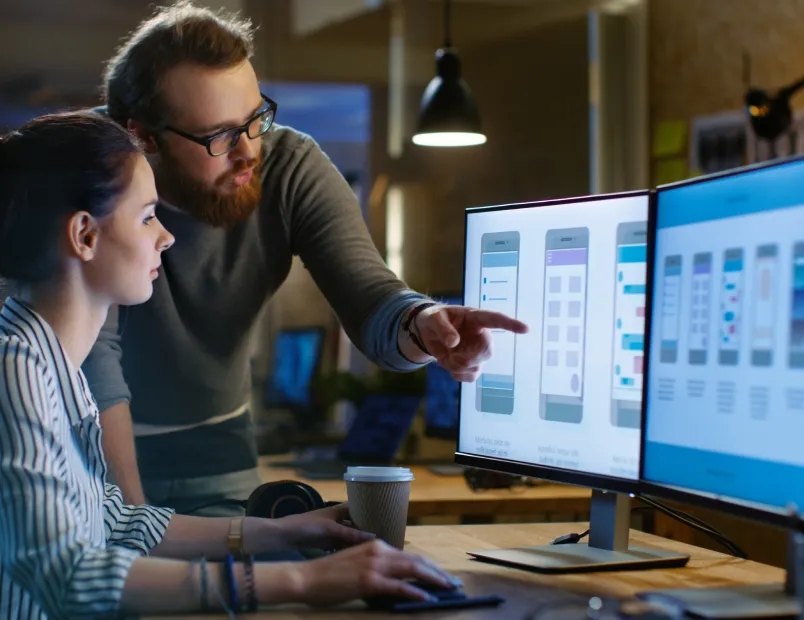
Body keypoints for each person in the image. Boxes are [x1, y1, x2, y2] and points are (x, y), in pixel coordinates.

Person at [0, 111, 461, 619]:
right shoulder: (15, 369)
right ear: (85, 235)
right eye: (147, 216)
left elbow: (111, 522)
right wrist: (304, 578)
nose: (166, 237)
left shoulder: (52, 359)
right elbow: (66, 574)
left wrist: (284, 531)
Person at [86, 0, 528, 515]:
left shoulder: (290, 166)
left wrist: (423, 322)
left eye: (255, 120)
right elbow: (97, 363)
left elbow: (370, 296)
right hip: (90, 447)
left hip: (218, 448)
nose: (249, 150)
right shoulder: (82, 171)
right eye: (220, 135)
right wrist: (135, 525)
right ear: (141, 136)